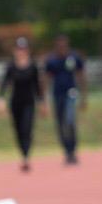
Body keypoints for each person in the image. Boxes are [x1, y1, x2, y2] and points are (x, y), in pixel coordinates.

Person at [0, 37, 46, 172]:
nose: (21, 52)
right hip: (15, 103)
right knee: (18, 130)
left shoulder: (33, 66)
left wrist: (42, 102)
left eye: (23, 49)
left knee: (27, 128)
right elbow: (5, 83)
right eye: (19, 49)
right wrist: (0, 99)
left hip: (29, 102)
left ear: (28, 51)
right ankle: (23, 153)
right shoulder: (11, 66)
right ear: (15, 51)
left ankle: (26, 157)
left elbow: (37, 86)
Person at [43, 35, 86, 164]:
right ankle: (67, 150)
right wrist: (44, 99)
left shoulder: (74, 57)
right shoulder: (52, 60)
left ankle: (73, 149)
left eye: (64, 45)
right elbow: (46, 78)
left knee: (70, 121)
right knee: (60, 124)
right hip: (57, 95)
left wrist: (84, 97)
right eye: (59, 45)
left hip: (71, 94)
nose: (62, 47)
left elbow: (81, 76)